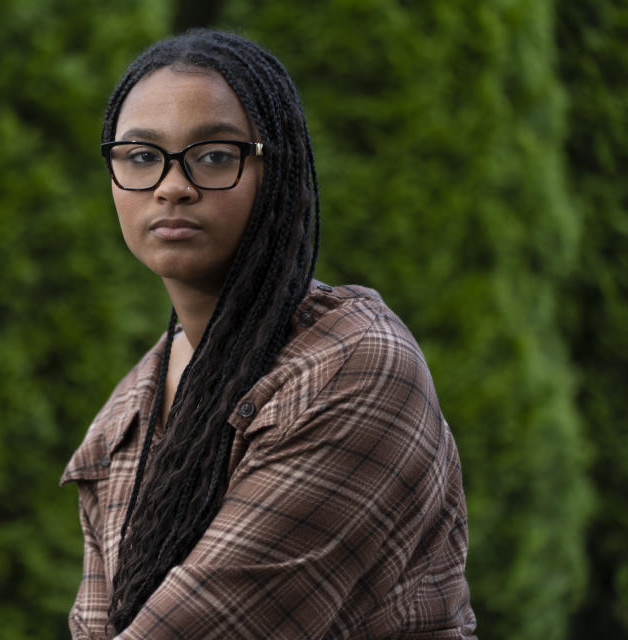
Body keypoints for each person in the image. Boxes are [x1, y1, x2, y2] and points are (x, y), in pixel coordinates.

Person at [61, 29, 476, 639]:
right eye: (142, 157)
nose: (172, 185)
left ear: (277, 170)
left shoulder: (353, 369)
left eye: (216, 155)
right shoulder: (128, 413)